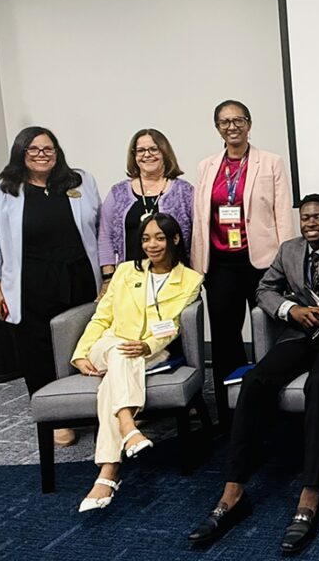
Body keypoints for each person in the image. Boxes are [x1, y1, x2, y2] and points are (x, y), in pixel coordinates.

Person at [188, 194, 319, 555]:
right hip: (298, 334)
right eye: (306, 218)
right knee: (255, 380)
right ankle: (234, 491)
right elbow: (264, 289)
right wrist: (291, 310)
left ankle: (310, 494)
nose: (311, 224)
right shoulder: (288, 250)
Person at [0, 126, 102, 447]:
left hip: (77, 277)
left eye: (48, 149)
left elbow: (100, 228)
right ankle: (55, 417)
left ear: (57, 152)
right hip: (29, 282)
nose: (41, 155)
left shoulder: (79, 181)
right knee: (37, 349)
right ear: (21, 153)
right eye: (33, 150)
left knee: (81, 343)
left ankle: (88, 406)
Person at [71, 213, 203, 512]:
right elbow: (102, 315)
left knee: (112, 381)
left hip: (152, 350)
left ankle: (109, 471)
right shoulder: (126, 271)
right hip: (108, 343)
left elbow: (173, 324)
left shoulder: (190, 279)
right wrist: (81, 352)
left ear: (175, 239)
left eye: (159, 237)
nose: (151, 245)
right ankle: (129, 428)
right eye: (145, 238)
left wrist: (147, 345)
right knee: (119, 350)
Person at [190, 100, 296, 426]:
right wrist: (198, 268)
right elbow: (200, 219)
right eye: (224, 122)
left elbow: (283, 215)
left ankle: (273, 405)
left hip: (262, 263)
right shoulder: (206, 166)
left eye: (238, 120)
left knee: (270, 332)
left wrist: (286, 265)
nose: (231, 126)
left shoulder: (272, 162)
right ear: (217, 128)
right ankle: (231, 412)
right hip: (221, 264)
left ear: (249, 124)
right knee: (225, 339)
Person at [97, 129, 194, 297]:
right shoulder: (118, 192)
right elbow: (105, 237)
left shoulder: (184, 191)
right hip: (130, 282)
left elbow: (197, 237)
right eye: (141, 150)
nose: (147, 155)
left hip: (175, 281)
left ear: (164, 152)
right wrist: (108, 278)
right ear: (134, 156)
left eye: (153, 149)